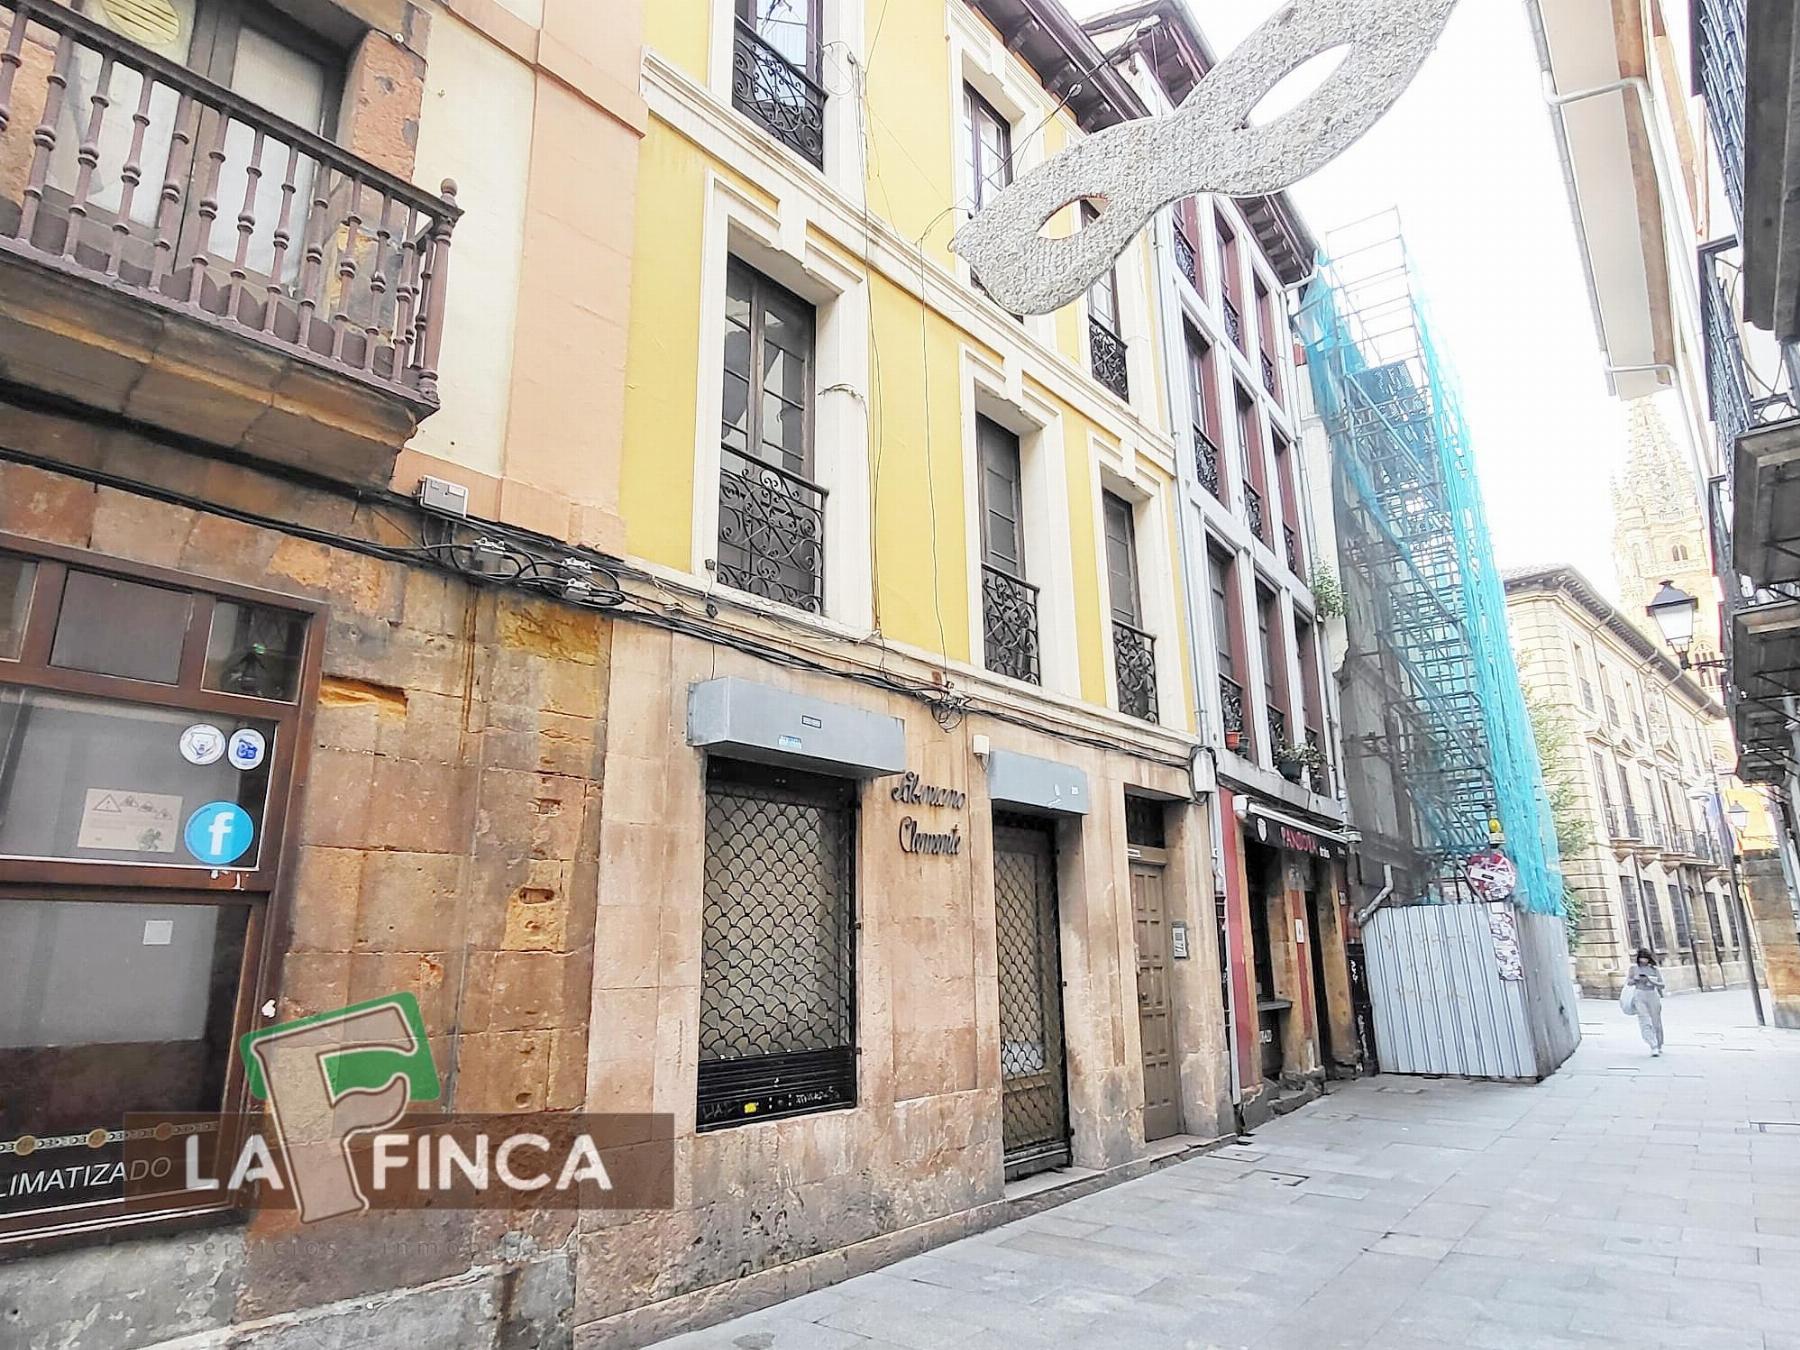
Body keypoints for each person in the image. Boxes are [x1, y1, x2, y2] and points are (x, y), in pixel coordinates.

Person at [1625, 948, 1666, 1055]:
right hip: (1639, 994)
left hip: (1652, 994)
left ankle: (1659, 1043)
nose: (1644, 960)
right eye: (1642, 958)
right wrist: (1635, 979)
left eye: (1646, 958)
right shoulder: (1634, 968)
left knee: (1656, 1021)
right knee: (1644, 1020)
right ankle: (1653, 1044)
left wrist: (1651, 981)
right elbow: (1628, 982)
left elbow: (1662, 985)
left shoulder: (1654, 969)